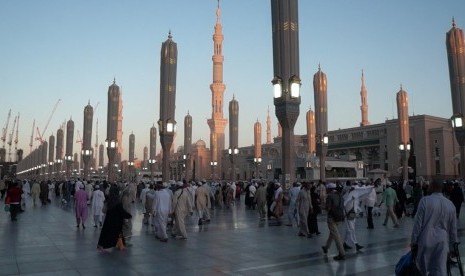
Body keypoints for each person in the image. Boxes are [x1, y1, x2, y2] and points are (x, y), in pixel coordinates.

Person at [410, 180, 458, 276]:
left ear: (431, 187)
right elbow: (453, 229)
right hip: (442, 242)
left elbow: (418, 224)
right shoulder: (450, 204)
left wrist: (413, 241)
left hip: (425, 240)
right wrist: (454, 246)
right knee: (439, 270)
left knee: (421, 271)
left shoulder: (425, 201)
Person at [321, 183, 345, 261]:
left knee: (336, 235)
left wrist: (322, 207)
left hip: (332, 218)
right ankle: (326, 247)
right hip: (339, 217)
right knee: (333, 233)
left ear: (330, 189)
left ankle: (342, 253)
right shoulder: (341, 196)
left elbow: (328, 208)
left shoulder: (330, 196)